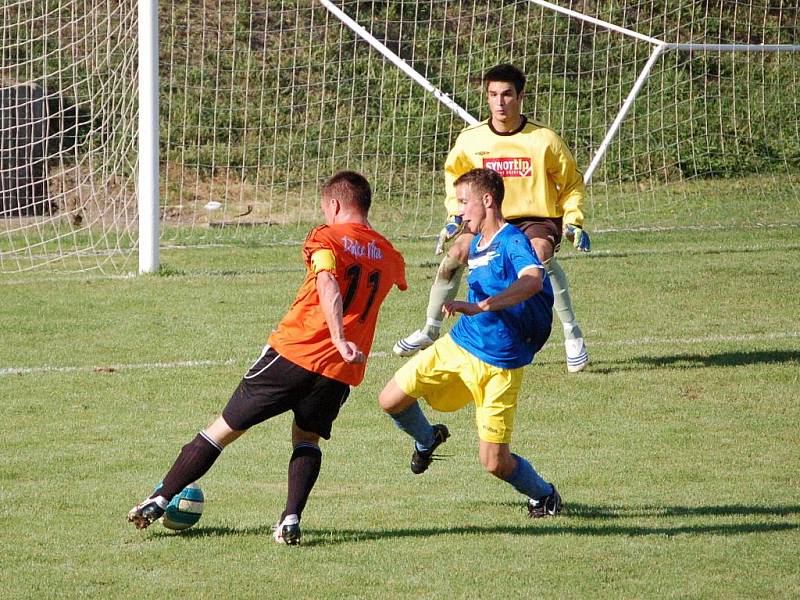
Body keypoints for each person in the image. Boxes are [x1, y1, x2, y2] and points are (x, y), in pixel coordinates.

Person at [127, 171, 407, 544]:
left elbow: (327, 279)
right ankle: (290, 519)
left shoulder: (326, 238)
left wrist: (337, 336)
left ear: (335, 205)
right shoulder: (390, 255)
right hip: (340, 370)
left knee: (221, 430)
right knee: (307, 439)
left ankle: (159, 498)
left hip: (296, 353)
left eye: (325, 209)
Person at [379, 168, 562, 518]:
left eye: (464, 203)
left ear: (488, 201)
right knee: (390, 399)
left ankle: (544, 495)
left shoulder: (512, 242)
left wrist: (480, 306)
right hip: (460, 345)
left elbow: (533, 280)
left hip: (500, 367)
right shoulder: (476, 243)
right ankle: (428, 439)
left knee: (494, 462)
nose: (459, 211)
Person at [393, 63, 591, 373]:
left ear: (520, 96)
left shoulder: (544, 139)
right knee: (456, 254)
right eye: (493, 94)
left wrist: (573, 220)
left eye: (507, 95)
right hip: (486, 218)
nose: (500, 102)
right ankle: (430, 328)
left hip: (534, 217)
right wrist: (454, 216)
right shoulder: (471, 140)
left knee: (539, 254)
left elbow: (572, 184)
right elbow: (454, 177)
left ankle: (572, 334)